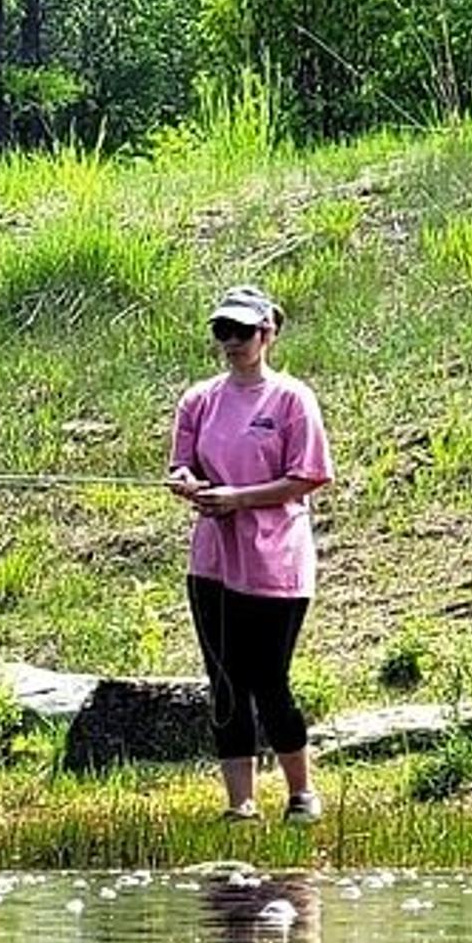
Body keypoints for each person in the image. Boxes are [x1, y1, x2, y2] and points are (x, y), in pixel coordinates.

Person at [166, 286, 333, 824]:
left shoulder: (292, 400)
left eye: (243, 332)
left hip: (275, 561)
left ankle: (301, 793)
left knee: (268, 678)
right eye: (223, 332)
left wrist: (238, 498)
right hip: (212, 560)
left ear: (268, 334)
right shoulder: (198, 399)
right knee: (225, 682)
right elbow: (180, 467)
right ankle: (240, 804)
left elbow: (307, 476)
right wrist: (192, 487)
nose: (232, 342)